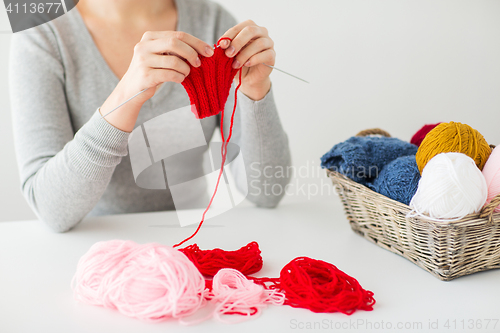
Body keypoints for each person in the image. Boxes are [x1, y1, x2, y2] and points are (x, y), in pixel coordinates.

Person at [10, 0, 291, 232]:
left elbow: (267, 191)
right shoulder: (41, 31)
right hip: (92, 252)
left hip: (194, 242)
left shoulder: (212, 21)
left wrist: (256, 90)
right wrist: (125, 97)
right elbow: (51, 209)